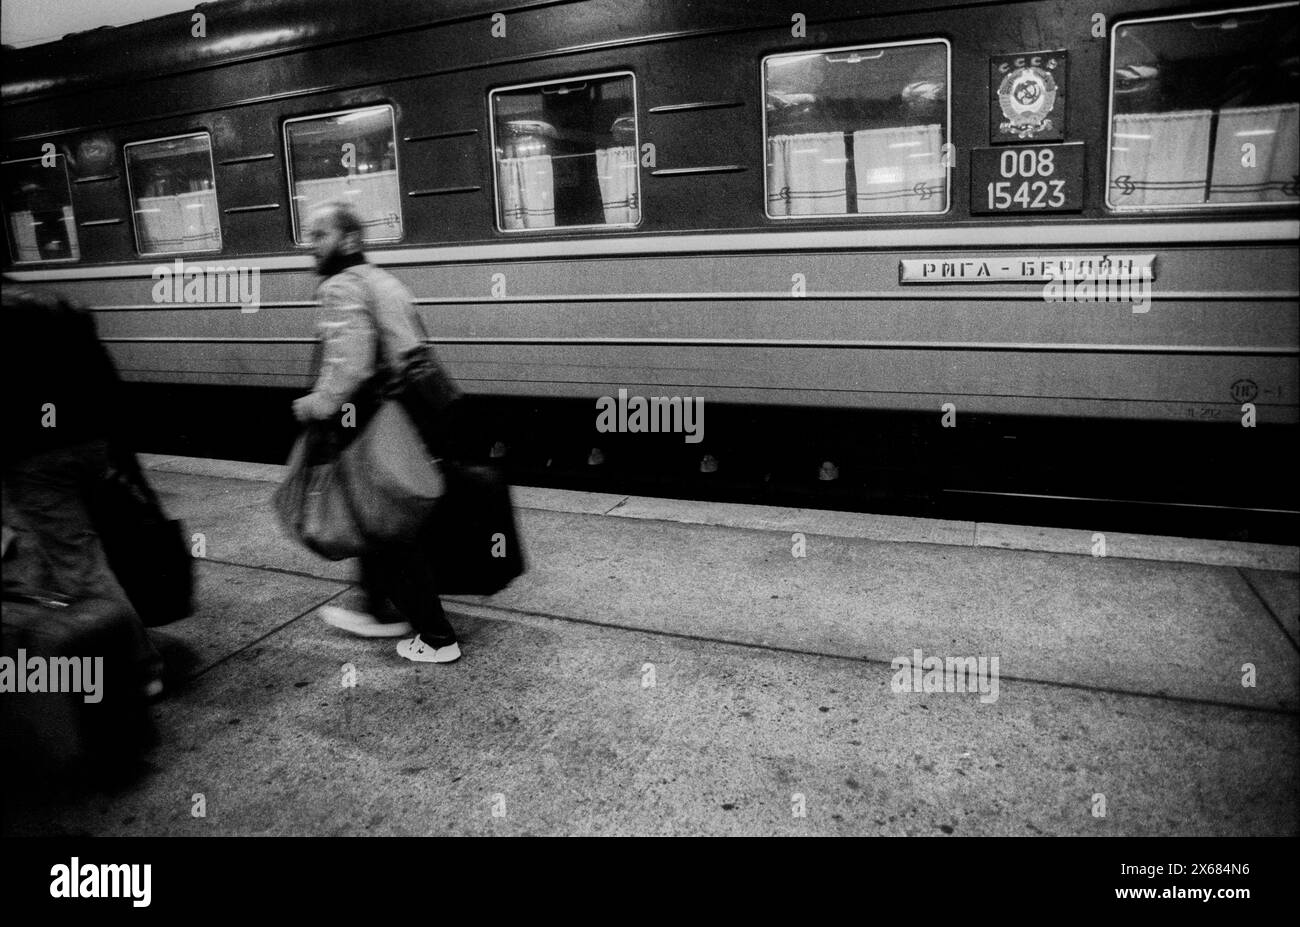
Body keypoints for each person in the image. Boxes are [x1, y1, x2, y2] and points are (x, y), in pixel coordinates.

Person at [293, 201, 462, 664]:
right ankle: (375, 608)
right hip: (411, 413)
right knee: (380, 522)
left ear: (348, 240)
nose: (311, 245)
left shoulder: (342, 286)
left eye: (319, 234)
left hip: (371, 422)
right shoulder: (381, 279)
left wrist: (313, 406)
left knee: (388, 532)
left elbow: (349, 367)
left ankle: (437, 637)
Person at [1, 278, 165, 696]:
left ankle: (140, 667)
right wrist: (122, 456)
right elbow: (107, 383)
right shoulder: (61, 303)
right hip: (88, 444)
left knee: (79, 561)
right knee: (43, 548)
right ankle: (61, 643)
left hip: (34, 458)